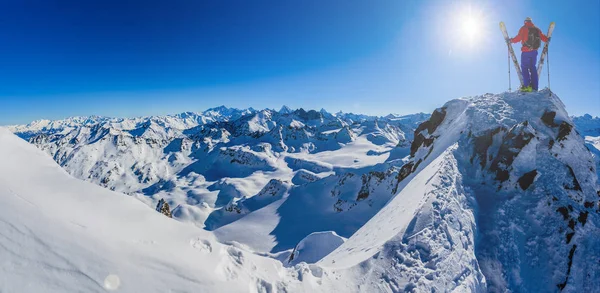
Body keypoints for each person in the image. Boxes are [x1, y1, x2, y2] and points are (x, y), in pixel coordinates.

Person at [508, 17, 549, 92]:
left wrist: (511, 40)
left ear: (525, 21)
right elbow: (544, 38)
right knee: (532, 68)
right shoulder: (537, 29)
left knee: (524, 67)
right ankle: (535, 87)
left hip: (526, 51)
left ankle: (527, 87)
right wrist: (547, 39)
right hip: (534, 52)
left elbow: (518, 38)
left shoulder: (524, 28)